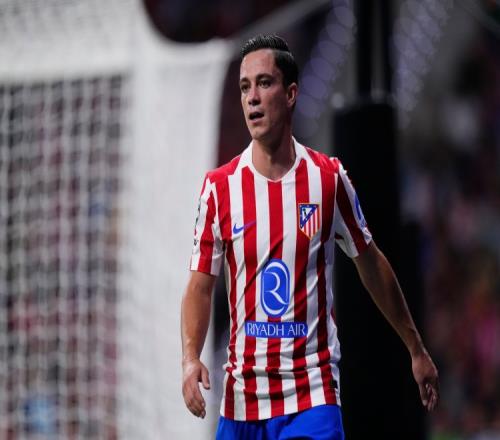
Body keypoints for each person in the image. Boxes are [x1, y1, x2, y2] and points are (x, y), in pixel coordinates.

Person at [181, 34, 439, 440]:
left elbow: (371, 262)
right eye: (245, 87)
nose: (252, 98)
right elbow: (199, 285)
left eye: (264, 83)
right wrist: (190, 358)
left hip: (312, 396)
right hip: (243, 401)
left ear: (291, 94)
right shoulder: (220, 188)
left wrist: (415, 347)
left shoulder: (327, 179)